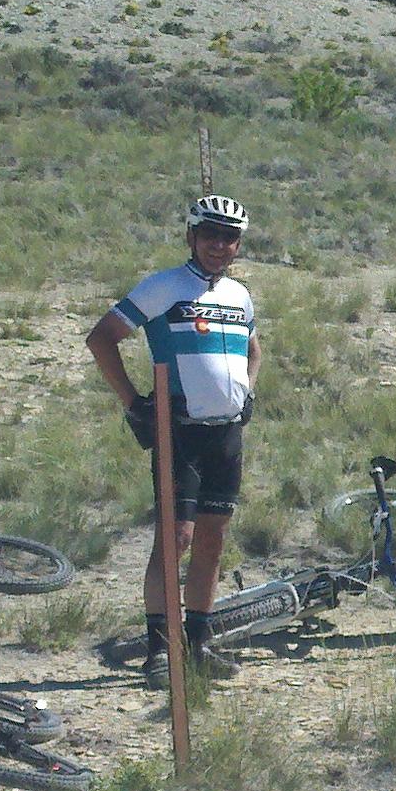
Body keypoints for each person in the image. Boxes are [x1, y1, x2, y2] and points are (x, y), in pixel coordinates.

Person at [85, 195, 259, 685]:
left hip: (225, 432)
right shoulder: (164, 286)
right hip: (178, 428)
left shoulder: (239, 295)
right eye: (210, 235)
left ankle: (199, 645)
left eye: (229, 238)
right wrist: (133, 402)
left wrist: (249, 389)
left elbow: (253, 346)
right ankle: (160, 651)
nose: (219, 246)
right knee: (175, 539)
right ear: (191, 236)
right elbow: (102, 338)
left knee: (212, 539)